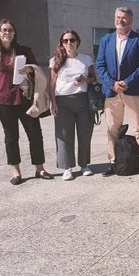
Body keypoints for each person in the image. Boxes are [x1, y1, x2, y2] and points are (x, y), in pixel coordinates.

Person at [0, 19, 51, 185]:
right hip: (3, 101)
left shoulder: (24, 51)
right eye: (4, 30)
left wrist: (30, 69)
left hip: (25, 99)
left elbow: (37, 71)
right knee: (11, 137)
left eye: (10, 30)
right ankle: (16, 171)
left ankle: (39, 168)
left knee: (35, 134)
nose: (7, 33)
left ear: (14, 33)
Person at [96, 7, 139, 176]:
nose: (120, 20)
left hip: (133, 90)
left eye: (124, 17)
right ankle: (113, 162)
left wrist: (127, 82)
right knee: (112, 128)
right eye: (118, 17)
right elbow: (100, 65)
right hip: (112, 92)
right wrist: (112, 83)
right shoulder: (106, 40)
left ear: (131, 20)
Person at [49, 30, 96, 181]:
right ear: (61, 43)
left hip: (83, 100)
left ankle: (84, 165)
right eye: (65, 41)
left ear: (77, 42)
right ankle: (67, 167)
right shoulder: (55, 60)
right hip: (62, 102)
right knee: (63, 136)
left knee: (84, 134)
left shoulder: (86, 59)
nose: (69, 43)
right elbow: (52, 83)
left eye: (72, 40)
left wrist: (84, 80)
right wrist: (53, 102)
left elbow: (94, 79)